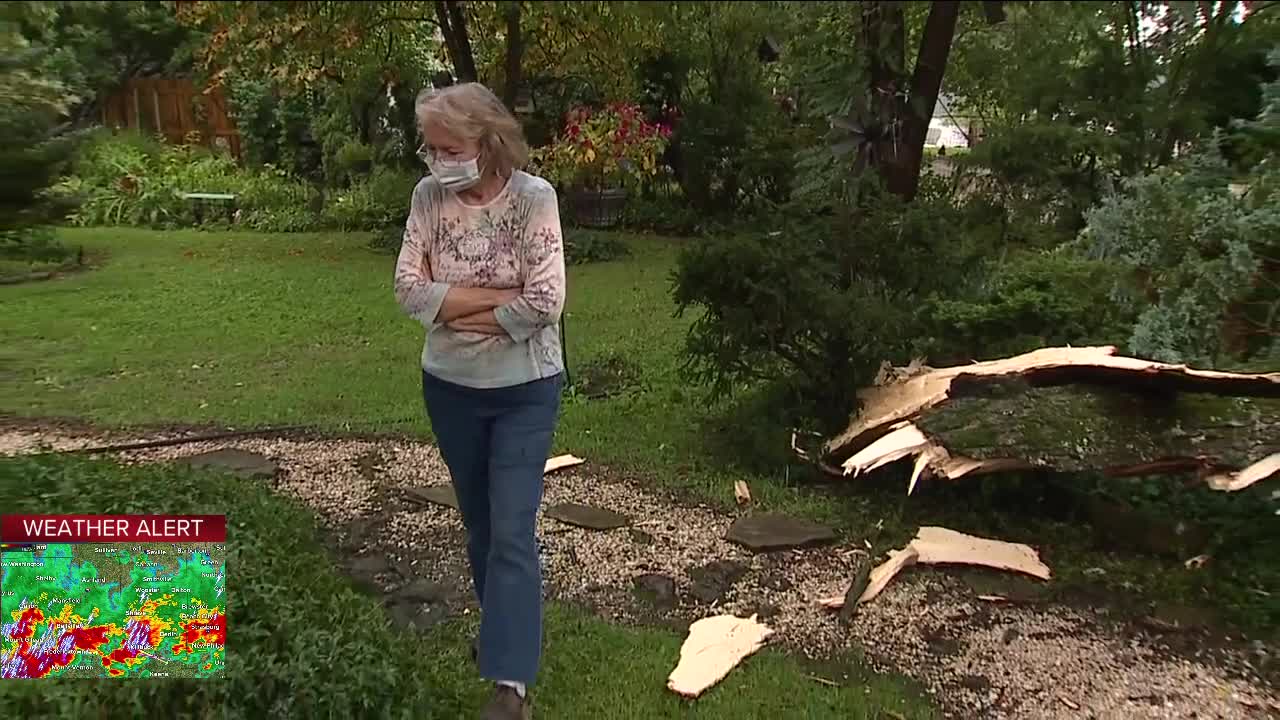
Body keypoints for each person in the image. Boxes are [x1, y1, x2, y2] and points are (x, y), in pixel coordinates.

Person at [393, 82, 565, 720]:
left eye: (448, 147)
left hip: (525, 388)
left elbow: (547, 301)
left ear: (486, 140)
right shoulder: (427, 198)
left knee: (513, 529)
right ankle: (504, 633)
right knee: (481, 526)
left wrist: (453, 301)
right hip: (450, 390)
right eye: (430, 148)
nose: (437, 160)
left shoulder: (534, 200)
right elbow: (410, 292)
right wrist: (499, 300)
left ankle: (509, 685)